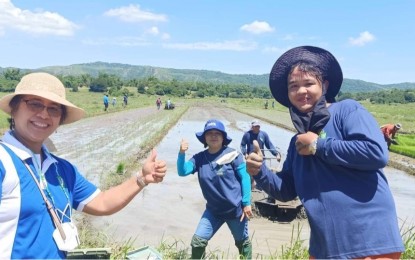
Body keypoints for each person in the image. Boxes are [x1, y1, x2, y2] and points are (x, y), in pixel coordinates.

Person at [245, 46, 404, 258]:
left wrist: (319, 146)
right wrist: (259, 172)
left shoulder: (347, 110)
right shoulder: (297, 141)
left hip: (368, 241)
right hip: (326, 246)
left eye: (309, 83)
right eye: (294, 86)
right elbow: (286, 191)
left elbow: (376, 153)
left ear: (325, 85)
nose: (302, 91)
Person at [0, 72, 167, 259]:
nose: (44, 114)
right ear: (14, 109)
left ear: (60, 120)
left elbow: (101, 203)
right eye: (35, 104)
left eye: (54, 109)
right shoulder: (3, 163)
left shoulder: (61, 169)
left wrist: (141, 179)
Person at [177, 119, 252, 259]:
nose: (213, 136)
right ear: (204, 138)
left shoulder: (233, 155)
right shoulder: (199, 158)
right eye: (209, 133)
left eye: (217, 133)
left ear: (223, 137)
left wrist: (246, 203)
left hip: (235, 211)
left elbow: (245, 177)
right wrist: (181, 153)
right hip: (213, 211)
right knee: (197, 242)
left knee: (243, 244)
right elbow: (182, 171)